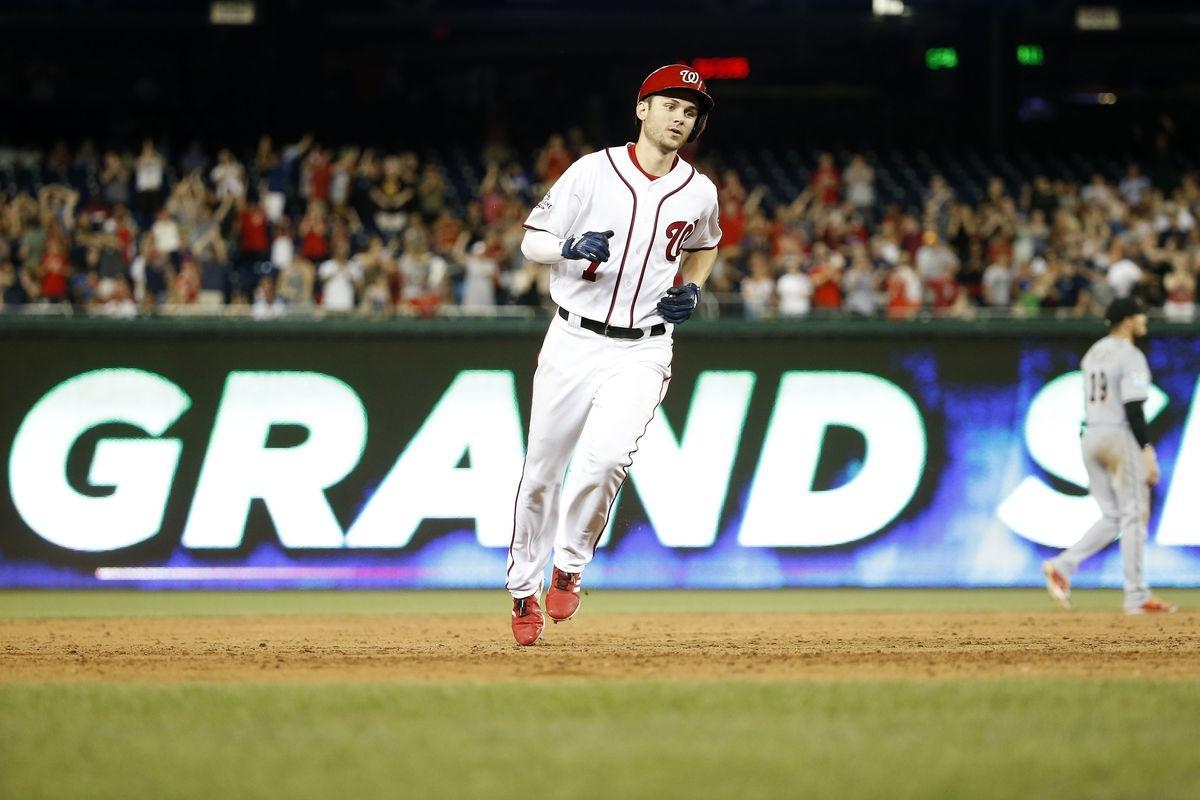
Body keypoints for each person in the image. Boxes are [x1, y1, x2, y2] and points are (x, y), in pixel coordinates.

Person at [506, 64, 721, 645]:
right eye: (670, 105)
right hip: (574, 337)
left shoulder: (699, 190)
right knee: (541, 474)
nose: (681, 117)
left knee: (604, 463)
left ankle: (569, 564)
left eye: (691, 111)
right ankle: (523, 587)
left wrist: (692, 287)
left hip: (645, 347)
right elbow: (531, 241)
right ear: (642, 109)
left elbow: (705, 244)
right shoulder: (591, 172)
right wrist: (568, 247)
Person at [1042, 297, 1176, 615]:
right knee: (1133, 515)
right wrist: (1146, 450)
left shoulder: (1094, 352)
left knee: (1113, 517)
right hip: (1118, 434)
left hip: (1090, 435)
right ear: (1128, 321)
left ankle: (1063, 565)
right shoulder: (1130, 354)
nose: (1145, 320)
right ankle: (1137, 596)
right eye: (1141, 315)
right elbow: (1133, 406)